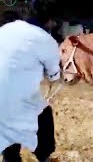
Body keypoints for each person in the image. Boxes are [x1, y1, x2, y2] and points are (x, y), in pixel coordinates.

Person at [0, 10, 61, 162]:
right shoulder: (41, 37)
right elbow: (54, 73)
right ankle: (44, 156)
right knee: (42, 113)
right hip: (24, 98)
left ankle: (10, 156)